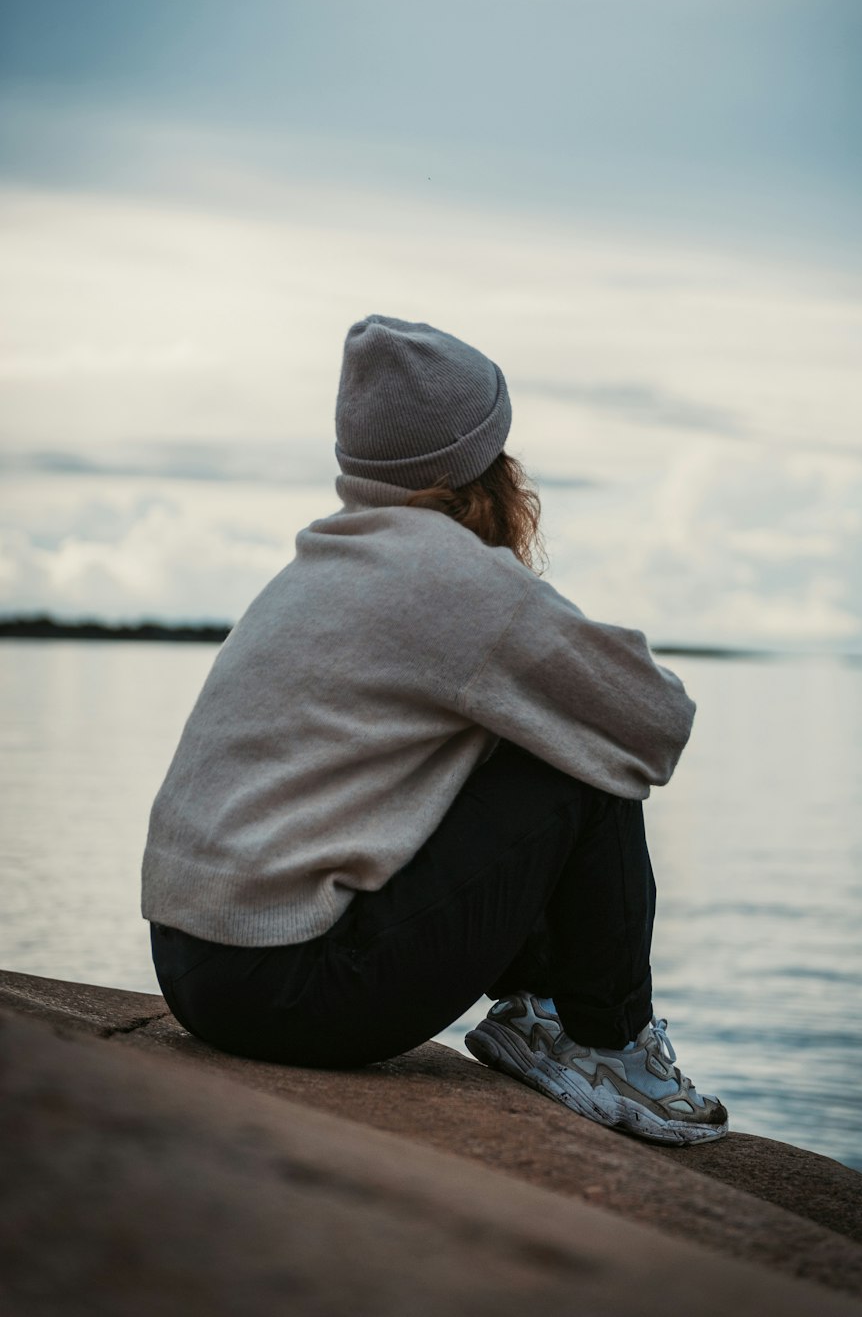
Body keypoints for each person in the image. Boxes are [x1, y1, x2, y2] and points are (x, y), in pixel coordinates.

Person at [142, 314, 727, 1146]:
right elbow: (653, 722)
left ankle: (538, 1014)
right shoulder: (452, 578)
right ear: (483, 462)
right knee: (588, 763)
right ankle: (607, 1043)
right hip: (293, 988)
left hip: (191, 969)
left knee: (523, 733)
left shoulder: (314, 565)